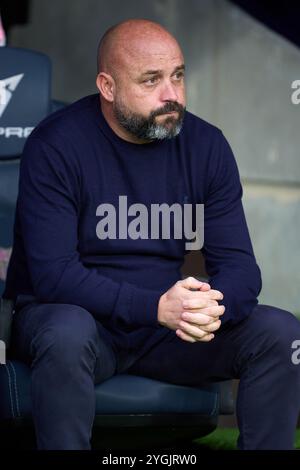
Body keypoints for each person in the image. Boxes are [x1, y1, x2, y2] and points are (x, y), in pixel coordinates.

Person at [4, 18, 300, 450]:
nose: (172, 95)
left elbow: (239, 268)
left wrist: (209, 306)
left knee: (279, 332)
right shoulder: (57, 144)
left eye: (178, 76)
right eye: (151, 81)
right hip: (80, 323)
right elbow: (53, 275)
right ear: (108, 87)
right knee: (66, 331)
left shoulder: (205, 145)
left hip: (169, 332)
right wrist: (155, 307)